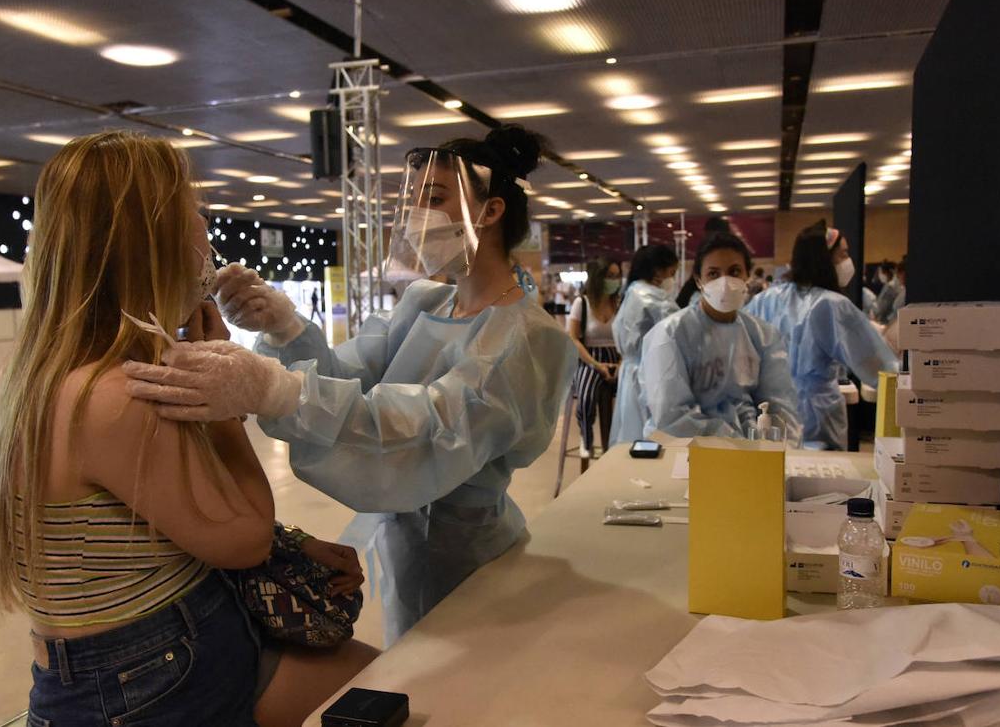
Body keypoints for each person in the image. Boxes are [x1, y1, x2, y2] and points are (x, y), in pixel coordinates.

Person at [0, 132, 376, 727]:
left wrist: (291, 541)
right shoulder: (113, 396)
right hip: (152, 677)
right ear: (151, 239)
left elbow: (174, 518)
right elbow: (245, 539)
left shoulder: (58, 374)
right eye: (193, 209)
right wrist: (220, 400)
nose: (207, 228)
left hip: (149, 656)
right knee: (389, 687)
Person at [124, 125, 577, 646]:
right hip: (408, 543)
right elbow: (351, 380)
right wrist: (285, 328)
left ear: (491, 211)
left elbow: (426, 433)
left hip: (473, 556)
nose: (414, 216)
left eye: (433, 199)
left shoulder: (525, 337)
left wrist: (278, 392)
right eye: (412, 199)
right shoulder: (427, 302)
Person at [745, 221, 898, 450]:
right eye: (843, 254)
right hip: (816, 415)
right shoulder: (832, 305)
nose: (847, 261)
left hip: (770, 411)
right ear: (823, 259)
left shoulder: (766, 299)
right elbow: (880, 367)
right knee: (821, 469)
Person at [641, 232, 801, 443]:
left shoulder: (762, 335)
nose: (724, 282)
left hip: (752, 448)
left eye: (734, 272)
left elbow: (779, 404)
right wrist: (731, 440)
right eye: (713, 274)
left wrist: (781, 445)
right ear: (699, 280)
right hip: (685, 448)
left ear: (747, 275)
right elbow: (671, 416)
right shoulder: (671, 334)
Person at [609, 243, 681, 444]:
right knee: (649, 435)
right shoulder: (654, 298)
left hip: (631, 371)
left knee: (630, 432)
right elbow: (680, 330)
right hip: (649, 374)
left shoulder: (632, 291)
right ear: (658, 271)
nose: (672, 279)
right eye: (671, 273)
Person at [567, 257, 623, 460]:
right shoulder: (581, 303)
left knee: (630, 397)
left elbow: (627, 338)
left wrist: (621, 363)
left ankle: (618, 443)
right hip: (590, 358)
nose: (614, 281)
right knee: (587, 396)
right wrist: (597, 365)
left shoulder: (620, 304)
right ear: (598, 277)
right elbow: (573, 339)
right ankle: (586, 437)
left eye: (617, 276)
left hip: (618, 357)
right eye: (610, 276)